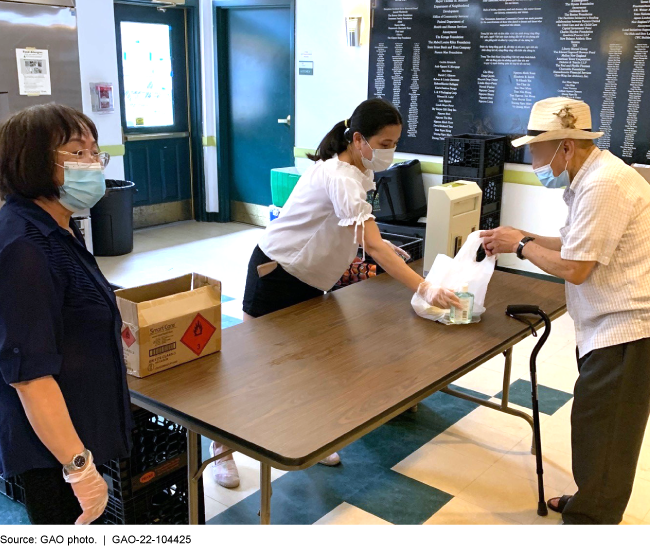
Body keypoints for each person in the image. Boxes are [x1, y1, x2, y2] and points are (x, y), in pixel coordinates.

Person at [208, 98, 460, 488]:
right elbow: (372, 243)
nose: (391, 150)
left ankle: (311, 435)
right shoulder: (340, 175)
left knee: (324, 363)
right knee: (253, 371)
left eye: (395, 141)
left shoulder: (358, 171)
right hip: (276, 273)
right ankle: (219, 450)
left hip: (311, 280)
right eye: (386, 142)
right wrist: (424, 287)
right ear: (359, 139)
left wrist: (378, 245)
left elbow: (351, 229)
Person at [481, 97, 650, 524]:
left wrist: (518, 246)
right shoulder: (591, 177)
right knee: (595, 425)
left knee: (607, 434)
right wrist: (524, 234)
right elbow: (575, 244)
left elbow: (574, 268)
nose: (533, 161)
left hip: (629, 328)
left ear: (565, 147)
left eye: (535, 152)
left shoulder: (604, 186)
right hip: (607, 323)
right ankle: (590, 499)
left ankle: (591, 521)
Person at [0, 104, 133, 524]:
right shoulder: (24, 246)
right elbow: (29, 375)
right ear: (34, 161)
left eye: (95, 152)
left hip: (78, 421)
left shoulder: (58, 223)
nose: (92, 163)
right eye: (78, 153)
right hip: (52, 450)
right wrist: (79, 471)